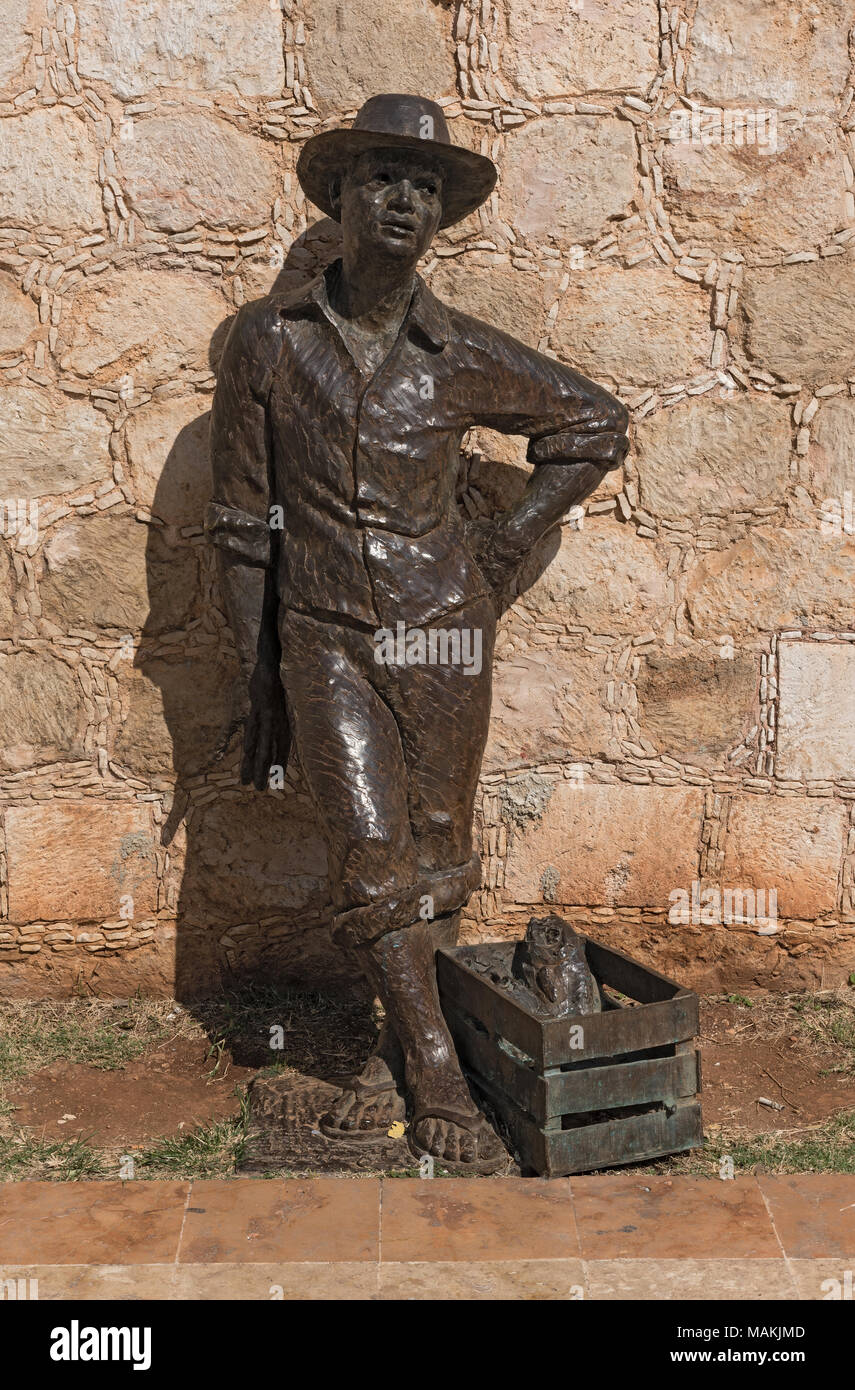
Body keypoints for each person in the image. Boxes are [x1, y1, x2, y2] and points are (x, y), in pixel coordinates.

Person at [206, 94, 629, 1171]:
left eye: (424, 186)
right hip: (326, 633)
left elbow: (593, 424)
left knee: (438, 844)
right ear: (341, 197)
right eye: (383, 178)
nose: (403, 199)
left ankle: (405, 1050)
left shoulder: (459, 352)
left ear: (439, 217)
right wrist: (258, 680)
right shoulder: (267, 341)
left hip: (442, 631)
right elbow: (243, 522)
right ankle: (438, 1071)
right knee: (369, 850)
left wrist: (503, 545)